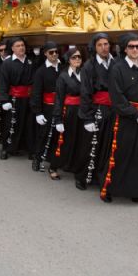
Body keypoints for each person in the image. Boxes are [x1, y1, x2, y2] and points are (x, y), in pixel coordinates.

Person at [101, 33, 138, 206]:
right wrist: (136, 114)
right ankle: (109, 188)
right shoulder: (117, 68)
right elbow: (117, 97)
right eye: (131, 46)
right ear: (125, 49)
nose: (135, 49)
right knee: (121, 155)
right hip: (126, 118)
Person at [79, 33, 116, 187]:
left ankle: (103, 176)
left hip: (114, 109)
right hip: (97, 109)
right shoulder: (89, 66)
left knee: (109, 145)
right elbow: (86, 92)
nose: (104, 47)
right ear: (94, 47)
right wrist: (87, 118)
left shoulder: (116, 63)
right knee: (92, 144)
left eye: (106, 44)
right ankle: (83, 177)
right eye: (100, 45)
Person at [50, 48, 85, 185]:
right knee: (64, 141)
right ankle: (53, 166)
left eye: (79, 57)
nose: (77, 60)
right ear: (68, 60)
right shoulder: (63, 76)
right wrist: (58, 118)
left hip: (81, 112)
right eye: (74, 57)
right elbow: (58, 98)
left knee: (79, 141)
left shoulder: (84, 74)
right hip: (68, 111)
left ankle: (73, 165)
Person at [0, 37, 35, 160]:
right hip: (13, 98)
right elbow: (3, 83)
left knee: (28, 124)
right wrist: (4, 100)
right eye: (18, 45)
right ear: (12, 48)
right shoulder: (7, 63)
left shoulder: (30, 61)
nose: (21, 47)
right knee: (10, 123)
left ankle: (27, 149)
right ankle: (5, 148)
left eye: (22, 45)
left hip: (28, 98)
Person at [29, 41, 61, 171]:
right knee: (44, 134)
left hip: (62, 106)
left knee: (58, 135)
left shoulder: (63, 67)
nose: (54, 54)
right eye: (51, 52)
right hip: (47, 107)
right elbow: (36, 92)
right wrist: (38, 112)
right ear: (45, 54)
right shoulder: (41, 71)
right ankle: (37, 158)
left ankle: (54, 159)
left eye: (56, 52)